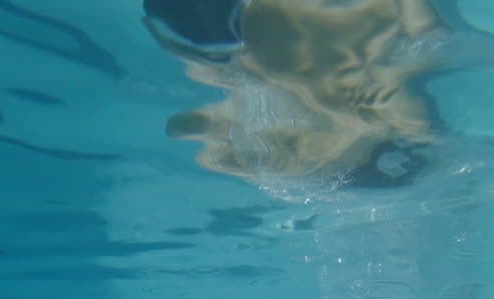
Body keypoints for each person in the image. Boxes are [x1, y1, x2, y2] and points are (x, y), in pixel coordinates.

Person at [142, 0, 447, 187]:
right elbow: (432, 37)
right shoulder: (282, 19)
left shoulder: (230, 54)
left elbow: (182, 128)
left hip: (316, 173)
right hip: (397, 142)